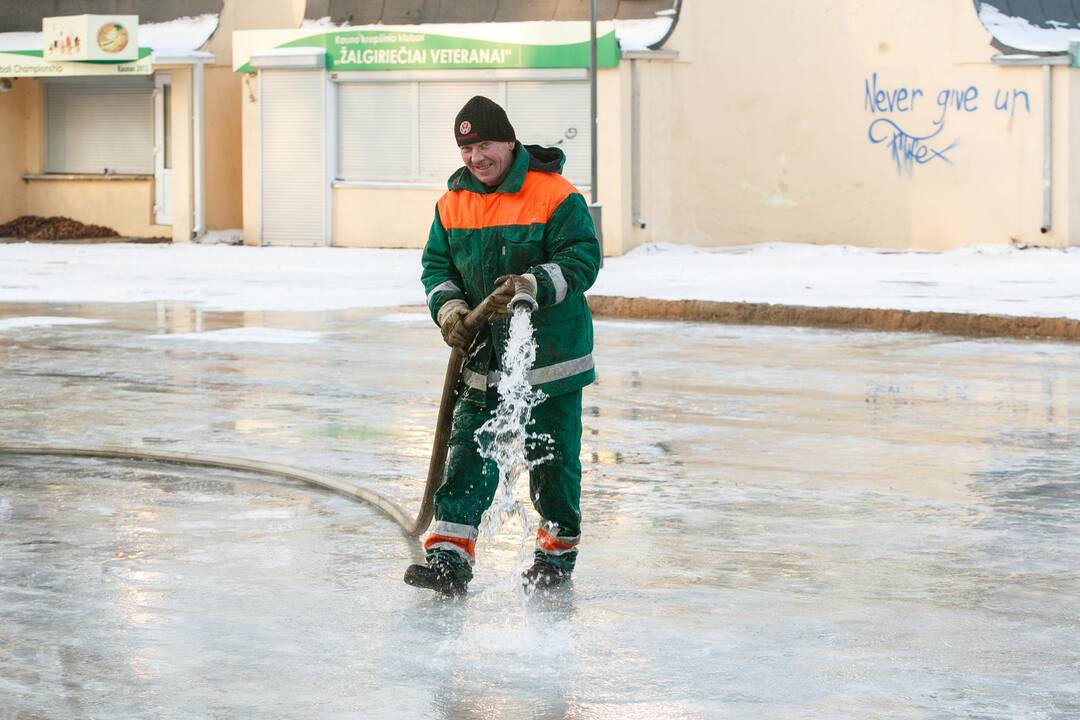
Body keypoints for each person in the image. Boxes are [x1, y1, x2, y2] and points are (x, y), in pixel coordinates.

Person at [405, 95, 601, 596]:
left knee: (551, 460)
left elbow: (582, 258)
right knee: (468, 454)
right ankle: (449, 559)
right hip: (482, 359)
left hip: (550, 359)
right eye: (466, 148)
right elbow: (437, 268)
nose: (476, 158)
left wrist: (535, 283)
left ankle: (555, 558)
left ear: (509, 142)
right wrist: (449, 310)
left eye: (485, 144)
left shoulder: (555, 195)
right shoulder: (452, 203)